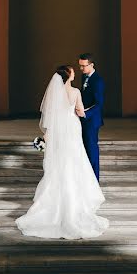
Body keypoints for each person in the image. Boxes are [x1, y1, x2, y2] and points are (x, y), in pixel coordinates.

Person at [15, 65, 109, 240]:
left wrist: (44, 139)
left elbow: (50, 121)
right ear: (69, 76)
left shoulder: (54, 96)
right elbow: (80, 112)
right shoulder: (75, 92)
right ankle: (76, 205)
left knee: (60, 162)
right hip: (72, 128)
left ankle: (53, 207)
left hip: (59, 131)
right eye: (73, 71)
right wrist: (85, 113)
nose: (75, 72)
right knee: (74, 161)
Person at [78, 53, 105, 181]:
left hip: (92, 120)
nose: (82, 69)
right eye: (80, 66)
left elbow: (99, 103)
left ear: (92, 65)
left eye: (84, 66)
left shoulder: (98, 80)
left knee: (92, 149)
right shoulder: (84, 77)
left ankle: (95, 180)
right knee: (85, 148)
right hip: (83, 118)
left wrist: (86, 113)